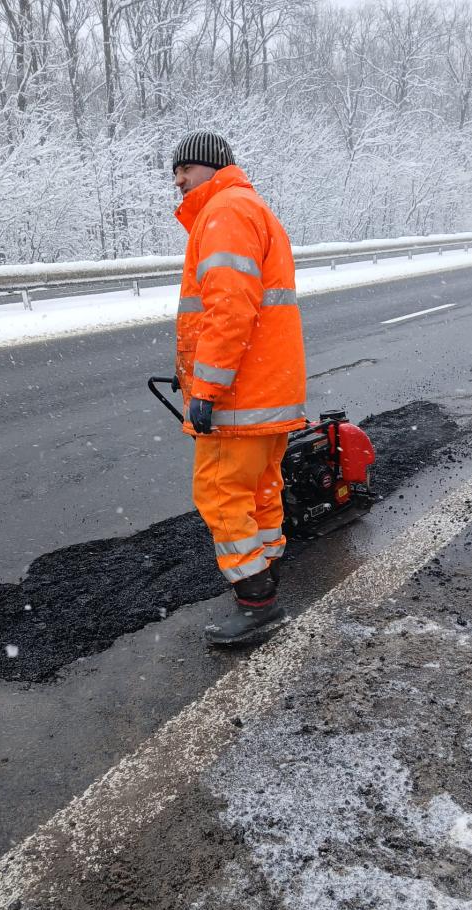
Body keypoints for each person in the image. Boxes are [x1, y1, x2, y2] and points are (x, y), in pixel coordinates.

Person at [172, 130, 307, 644]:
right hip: (268, 393)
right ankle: (266, 578)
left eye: (185, 169)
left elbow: (229, 311)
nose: (178, 180)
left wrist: (204, 389)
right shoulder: (251, 208)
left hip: (238, 396)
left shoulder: (225, 212)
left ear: (212, 166)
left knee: (222, 496)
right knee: (261, 492)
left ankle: (257, 605)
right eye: (175, 172)